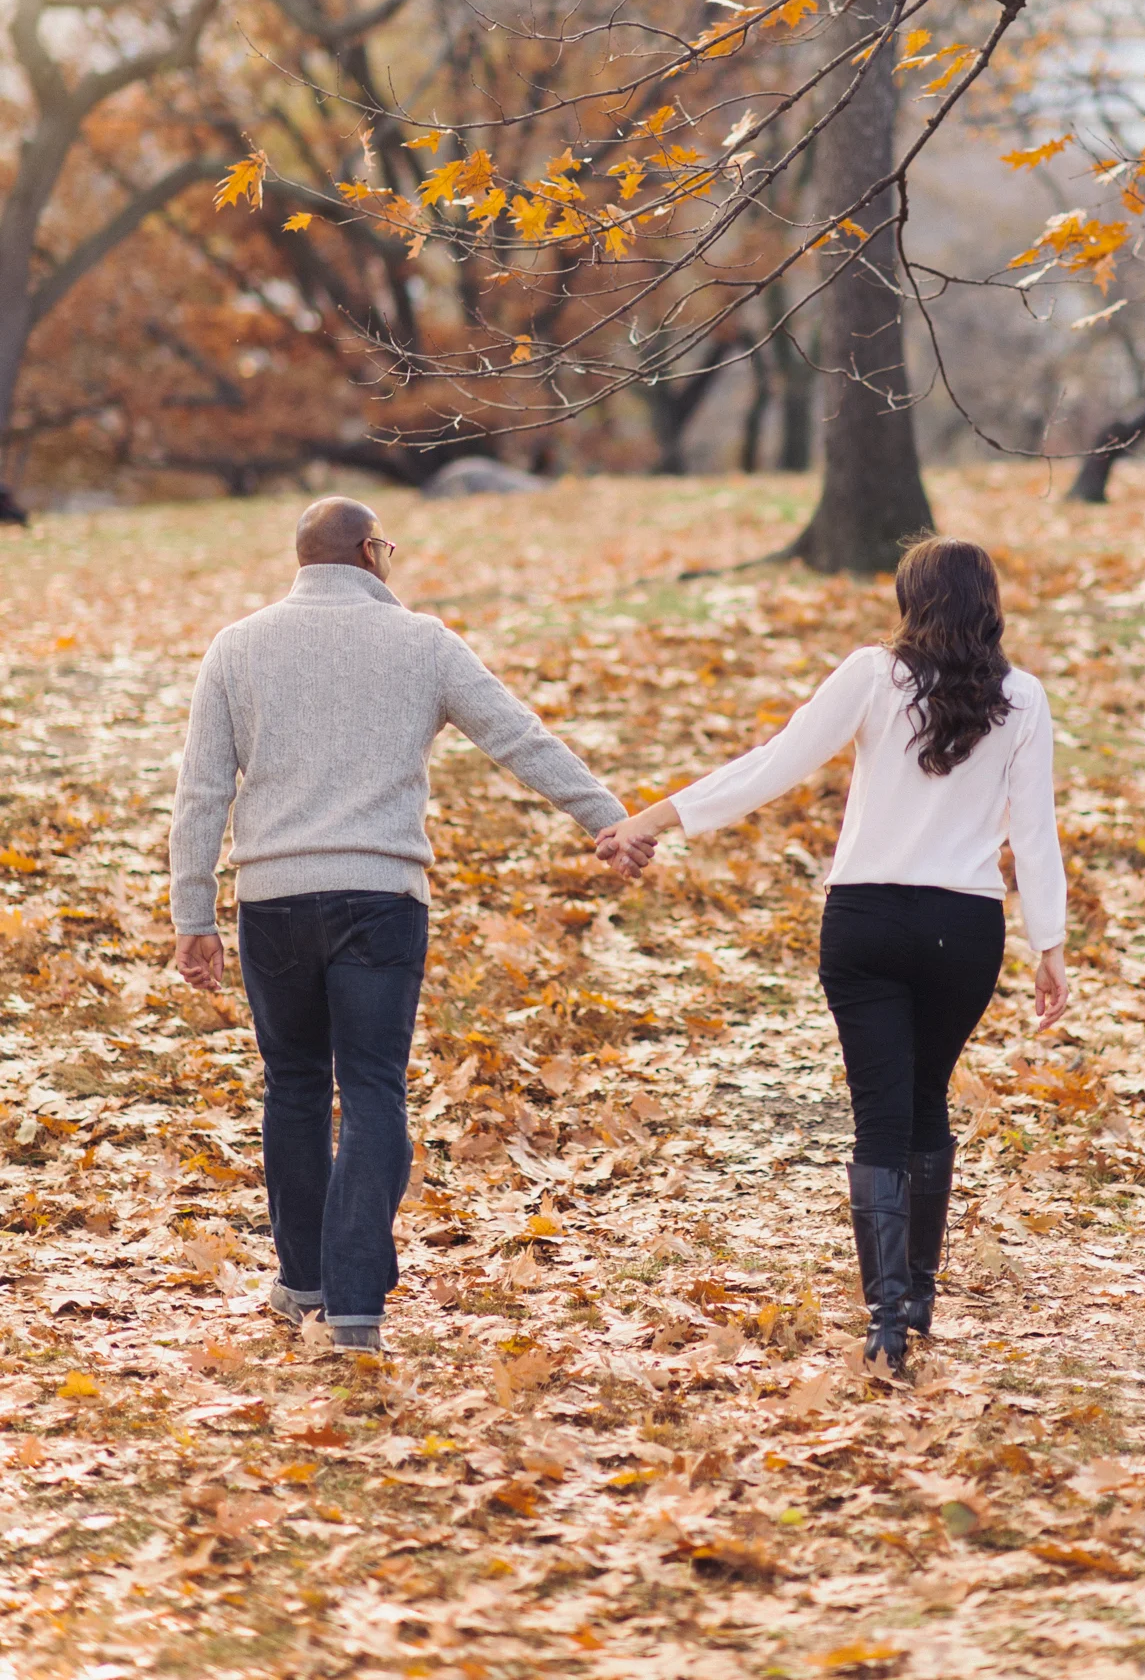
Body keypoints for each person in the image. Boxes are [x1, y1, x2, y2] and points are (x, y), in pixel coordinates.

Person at [169, 496, 637, 1355]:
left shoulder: (237, 646)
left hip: (272, 899)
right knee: (374, 1089)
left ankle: (303, 1281)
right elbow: (519, 739)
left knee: (296, 1087)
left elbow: (202, 791)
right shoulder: (424, 643)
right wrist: (608, 819)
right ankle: (354, 1308)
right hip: (381, 899)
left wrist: (192, 913)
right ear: (367, 553)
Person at [600, 536, 1067, 1372]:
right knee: (927, 1099)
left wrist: (652, 818)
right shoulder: (1023, 698)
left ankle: (887, 1317)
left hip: (866, 922)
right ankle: (917, 1295)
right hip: (965, 929)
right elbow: (1035, 836)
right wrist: (1050, 946)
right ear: (988, 602)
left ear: (909, 599)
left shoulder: (872, 675)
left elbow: (772, 767)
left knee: (880, 1112)